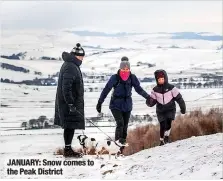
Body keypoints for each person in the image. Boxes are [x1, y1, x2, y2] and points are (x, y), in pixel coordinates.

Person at [96, 56, 149, 153]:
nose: (125, 70)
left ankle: (121, 149)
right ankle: (116, 147)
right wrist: (100, 102)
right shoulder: (115, 78)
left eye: (127, 69)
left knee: (125, 126)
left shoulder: (132, 77)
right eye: (123, 68)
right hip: (115, 105)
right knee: (120, 123)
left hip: (127, 105)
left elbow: (139, 89)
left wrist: (148, 97)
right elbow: (106, 89)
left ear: (129, 68)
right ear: (120, 68)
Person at [54, 43, 85, 158]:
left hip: (68, 103)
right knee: (69, 126)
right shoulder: (71, 66)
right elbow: (66, 87)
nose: (82, 59)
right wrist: (71, 103)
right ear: (77, 56)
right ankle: (68, 150)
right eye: (82, 56)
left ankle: (68, 148)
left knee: (69, 125)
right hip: (68, 103)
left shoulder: (70, 64)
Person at [146, 69, 186, 146]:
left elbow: (179, 98)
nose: (161, 81)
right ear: (157, 80)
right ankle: (161, 140)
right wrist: (149, 102)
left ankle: (166, 137)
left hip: (170, 108)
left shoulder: (171, 88)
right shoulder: (155, 90)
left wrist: (183, 108)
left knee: (168, 123)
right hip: (160, 110)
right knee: (162, 125)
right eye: (159, 80)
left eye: (162, 79)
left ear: (165, 78)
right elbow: (152, 102)